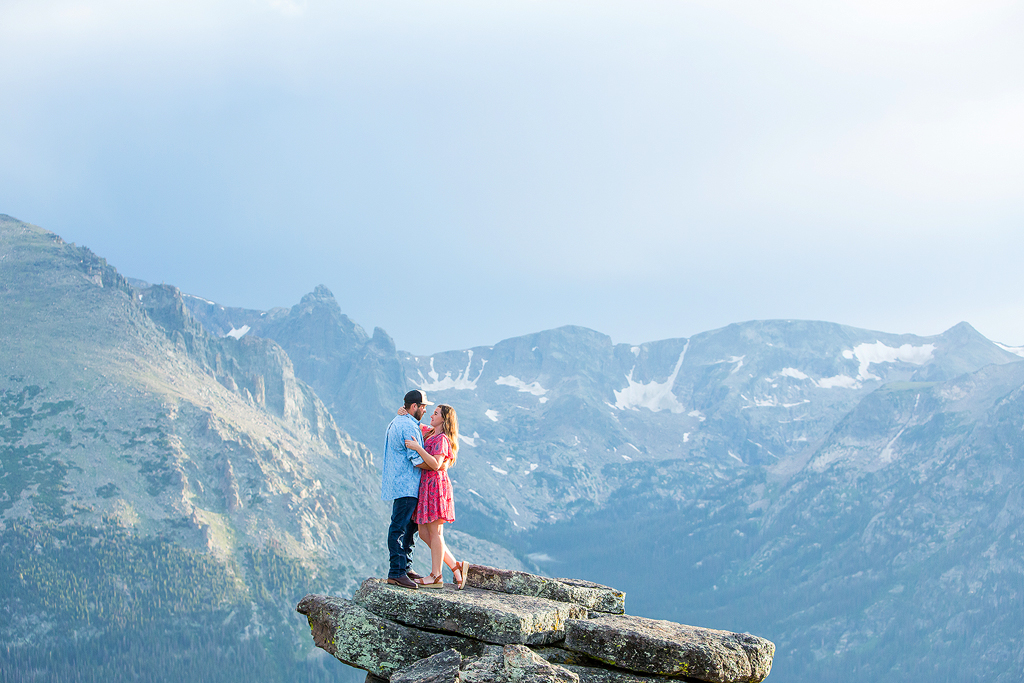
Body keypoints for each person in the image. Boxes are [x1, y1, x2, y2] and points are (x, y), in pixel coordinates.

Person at [402, 403, 470, 589]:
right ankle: (454, 565)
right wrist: (404, 413)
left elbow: (435, 463)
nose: (431, 415)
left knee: (434, 532)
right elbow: (415, 424)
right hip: (426, 486)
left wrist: (418, 448)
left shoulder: (442, 439)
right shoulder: (431, 432)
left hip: (435, 487)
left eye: (436, 413)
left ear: (444, 419)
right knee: (424, 533)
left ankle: (436, 575)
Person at [380, 390, 433, 589]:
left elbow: (424, 429)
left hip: (404, 484)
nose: (425, 410)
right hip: (406, 485)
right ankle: (396, 572)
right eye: (423, 407)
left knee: (410, 528)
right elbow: (417, 460)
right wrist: (436, 465)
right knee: (399, 528)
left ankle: (405, 567)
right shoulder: (407, 427)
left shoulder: (402, 421)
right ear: (414, 407)